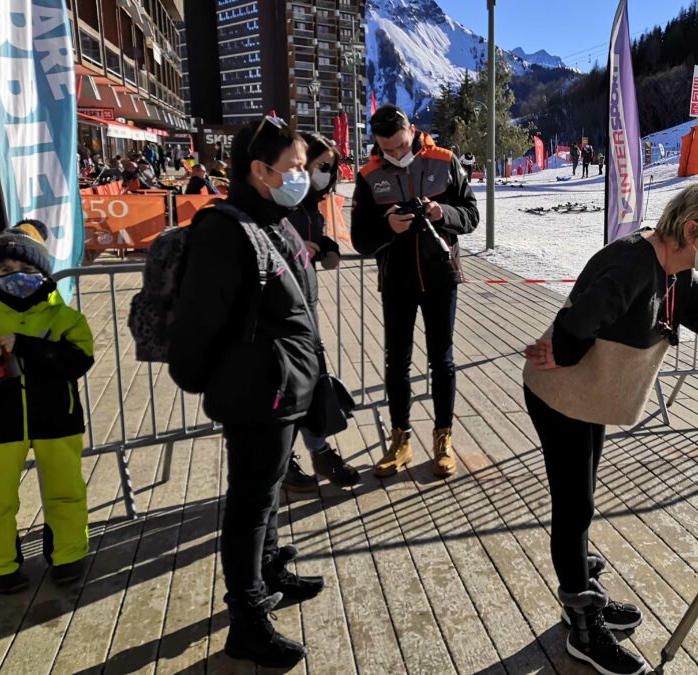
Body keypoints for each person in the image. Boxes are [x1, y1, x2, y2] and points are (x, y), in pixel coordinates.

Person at [522, 177, 698, 675]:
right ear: (693, 228)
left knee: (582, 498)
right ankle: (582, 624)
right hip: (561, 395)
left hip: (590, 395)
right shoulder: (632, 262)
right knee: (575, 505)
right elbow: (575, 322)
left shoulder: (677, 270)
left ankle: (581, 596)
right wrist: (559, 354)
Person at [167, 116, 324, 668]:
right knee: (250, 503)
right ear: (260, 171)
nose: (305, 176)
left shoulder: (272, 218)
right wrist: (205, 377)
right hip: (258, 391)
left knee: (270, 487)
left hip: (282, 386)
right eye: (296, 168)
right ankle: (247, 617)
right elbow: (198, 324)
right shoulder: (225, 230)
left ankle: (270, 569)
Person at [350, 104, 479, 479]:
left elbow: (471, 214)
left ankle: (444, 438)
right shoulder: (369, 174)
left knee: (443, 360)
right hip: (397, 281)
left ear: (412, 132)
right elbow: (360, 239)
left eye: (401, 145)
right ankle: (400, 438)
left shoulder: (444, 160)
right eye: (387, 149)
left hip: (441, 275)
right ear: (376, 144)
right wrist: (388, 225)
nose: (395, 153)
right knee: (397, 361)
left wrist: (444, 214)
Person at [0, 221, 95, 594]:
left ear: (43, 271)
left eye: (26, 269)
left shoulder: (65, 317)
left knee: (65, 487)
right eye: (4, 270)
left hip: (57, 416)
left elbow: (78, 361)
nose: (15, 276)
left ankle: (68, 555)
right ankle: (1, 564)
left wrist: (25, 346)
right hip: (0, 421)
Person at [279, 131, 360, 492]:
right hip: (276, 314)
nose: (326, 173)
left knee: (311, 385)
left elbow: (321, 260)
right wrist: (296, 249)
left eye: (330, 167)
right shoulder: (279, 200)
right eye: (319, 165)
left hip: (305, 310)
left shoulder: (311, 205)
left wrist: (326, 248)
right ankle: (282, 464)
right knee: (286, 392)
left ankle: (320, 450)